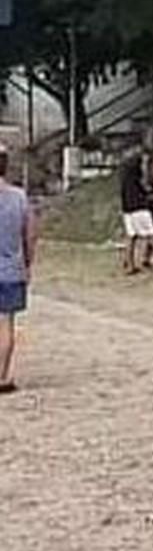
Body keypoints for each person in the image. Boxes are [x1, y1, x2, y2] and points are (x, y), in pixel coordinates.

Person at [0, 147, 36, 395]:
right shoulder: (19, 197)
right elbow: (30, 234)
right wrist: (28, 263)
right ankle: (2, 375)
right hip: (11, 268)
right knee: (6, 324)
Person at [120, 148, 153, 275]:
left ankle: (129, 263)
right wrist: (149, 194)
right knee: (151, 234)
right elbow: (145, 185)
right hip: (139, 206)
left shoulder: (125, 173)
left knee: (131, 236)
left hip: (127, 207)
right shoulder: (137, 173)